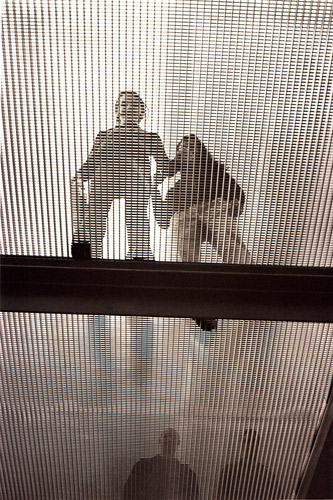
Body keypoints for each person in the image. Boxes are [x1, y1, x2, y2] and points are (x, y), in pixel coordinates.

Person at [151, 134, 251, 331]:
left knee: (232, 248)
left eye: (190, 146)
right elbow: (162, 221)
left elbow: (237, 193)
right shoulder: (174, 190)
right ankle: (197, 305)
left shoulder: (215, 172)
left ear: (200, 151)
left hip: (214, 208)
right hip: (184, 214)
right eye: (180, 148)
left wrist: (234, 204)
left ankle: (253, 281)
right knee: (184, 262)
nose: (184, 150)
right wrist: (154, 188)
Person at [71, 91, 174, 260]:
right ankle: (88, 254)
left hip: (136, 182)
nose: (129, 108)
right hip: (104, 180)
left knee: (137, 217)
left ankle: (139, 256)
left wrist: (165, 172)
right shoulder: (104, 135)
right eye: (124, 104)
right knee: (95, 217)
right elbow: (93, 161)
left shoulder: (151, 138)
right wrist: (80, 176)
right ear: (117, 110)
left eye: (134, 105)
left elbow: (165, 166)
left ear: (142, 112)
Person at [123, 428, 200, 500]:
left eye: (173, 437)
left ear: (178, 442)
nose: (169, 440)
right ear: (160, 440)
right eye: (166, 436)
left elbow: (193, 496)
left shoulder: (187, 473)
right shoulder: (142, 466)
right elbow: (129, 491)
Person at [218, 429, 281, 500]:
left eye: (253, 441)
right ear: (242, 445)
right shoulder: (229, 471)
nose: (250, 445)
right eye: (247, 441)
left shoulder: (267, 475)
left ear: (258, 446)